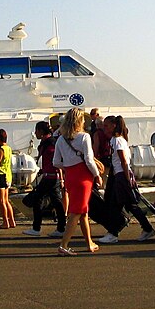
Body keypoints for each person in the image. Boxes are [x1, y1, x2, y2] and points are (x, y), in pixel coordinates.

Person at [98, 115, 155, 244]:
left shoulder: (116, 140)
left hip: (121, 176)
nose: (104, 129)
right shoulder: (121, 139)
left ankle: (114, 233)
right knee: (129, 205)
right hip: (120, 175)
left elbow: (123, 161)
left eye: (106, 126)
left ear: (114, 125)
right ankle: (146, 228)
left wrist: (126, 178)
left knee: (117, 205)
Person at [53, 107, 102, 255]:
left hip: (70, 176)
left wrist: (68, 166)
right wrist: (96, 175)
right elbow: (88, 159)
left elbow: (56, 162)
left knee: (82, 211)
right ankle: (64, 245)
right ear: (80, 121)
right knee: (76, 212)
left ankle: (89, 242)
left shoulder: (61, 139)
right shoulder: (84, 137)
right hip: (83, 177)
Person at [23, 121, 67, 238]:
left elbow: (56, 160)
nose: (35, 133)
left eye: (37, 130)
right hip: (51, 176)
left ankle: (37, 228)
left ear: (41, 131)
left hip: (50, 177)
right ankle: (61, 227)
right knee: (56, 202)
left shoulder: (50, 144)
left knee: (37, 199)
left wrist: (61, 176)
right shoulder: (48, 143)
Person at [92, 114, 113, 185]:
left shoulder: (97, 134)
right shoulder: (111, 133)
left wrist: (94, 160)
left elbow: (96, 148)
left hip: (102, 159)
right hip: (112, 159)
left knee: (104, 182)